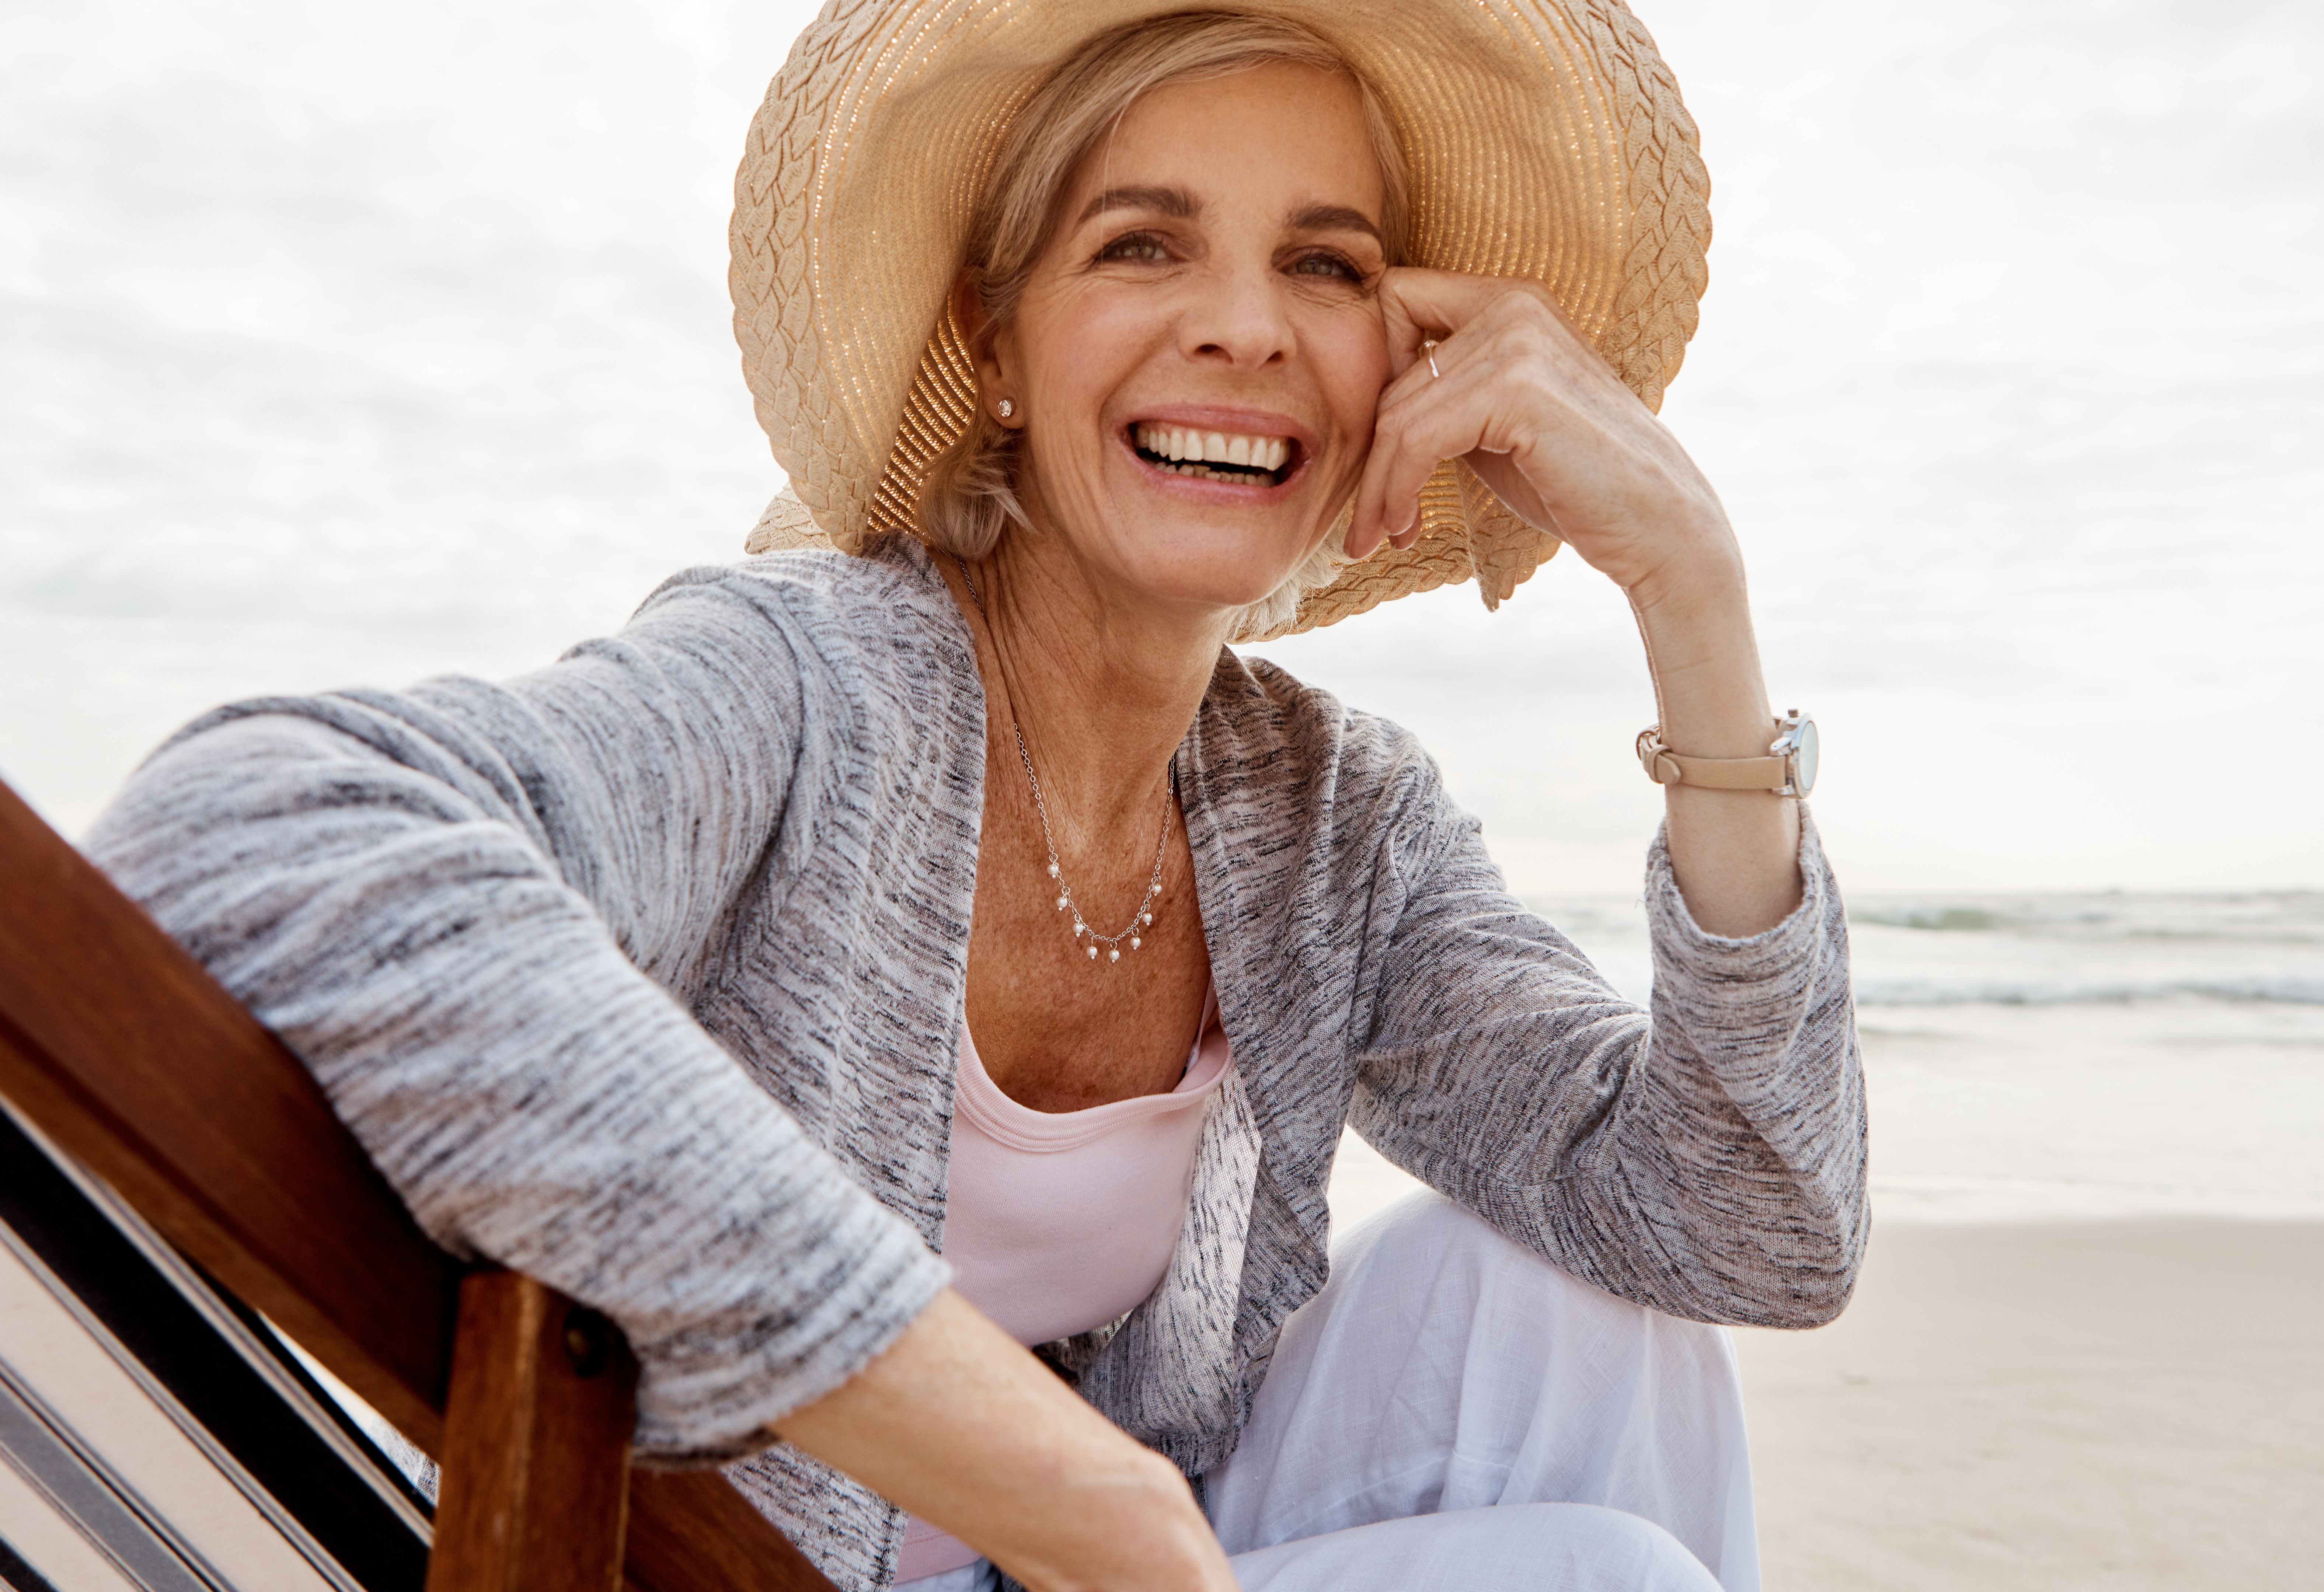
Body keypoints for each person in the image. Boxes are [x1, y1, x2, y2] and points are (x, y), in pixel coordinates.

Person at [86, 4, 1866, 1590]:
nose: (1244, 328)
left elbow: (1739, 1228)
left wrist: (1689, 596)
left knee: (1583, 1321)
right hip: (711, 1559)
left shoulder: (1333, 815)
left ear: (1400, 370)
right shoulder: (803, 679)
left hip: (1099, 1561)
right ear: (996, 346)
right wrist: (1080, 1498)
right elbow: (251, 836)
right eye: (1140, 244)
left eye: (1327, 268)